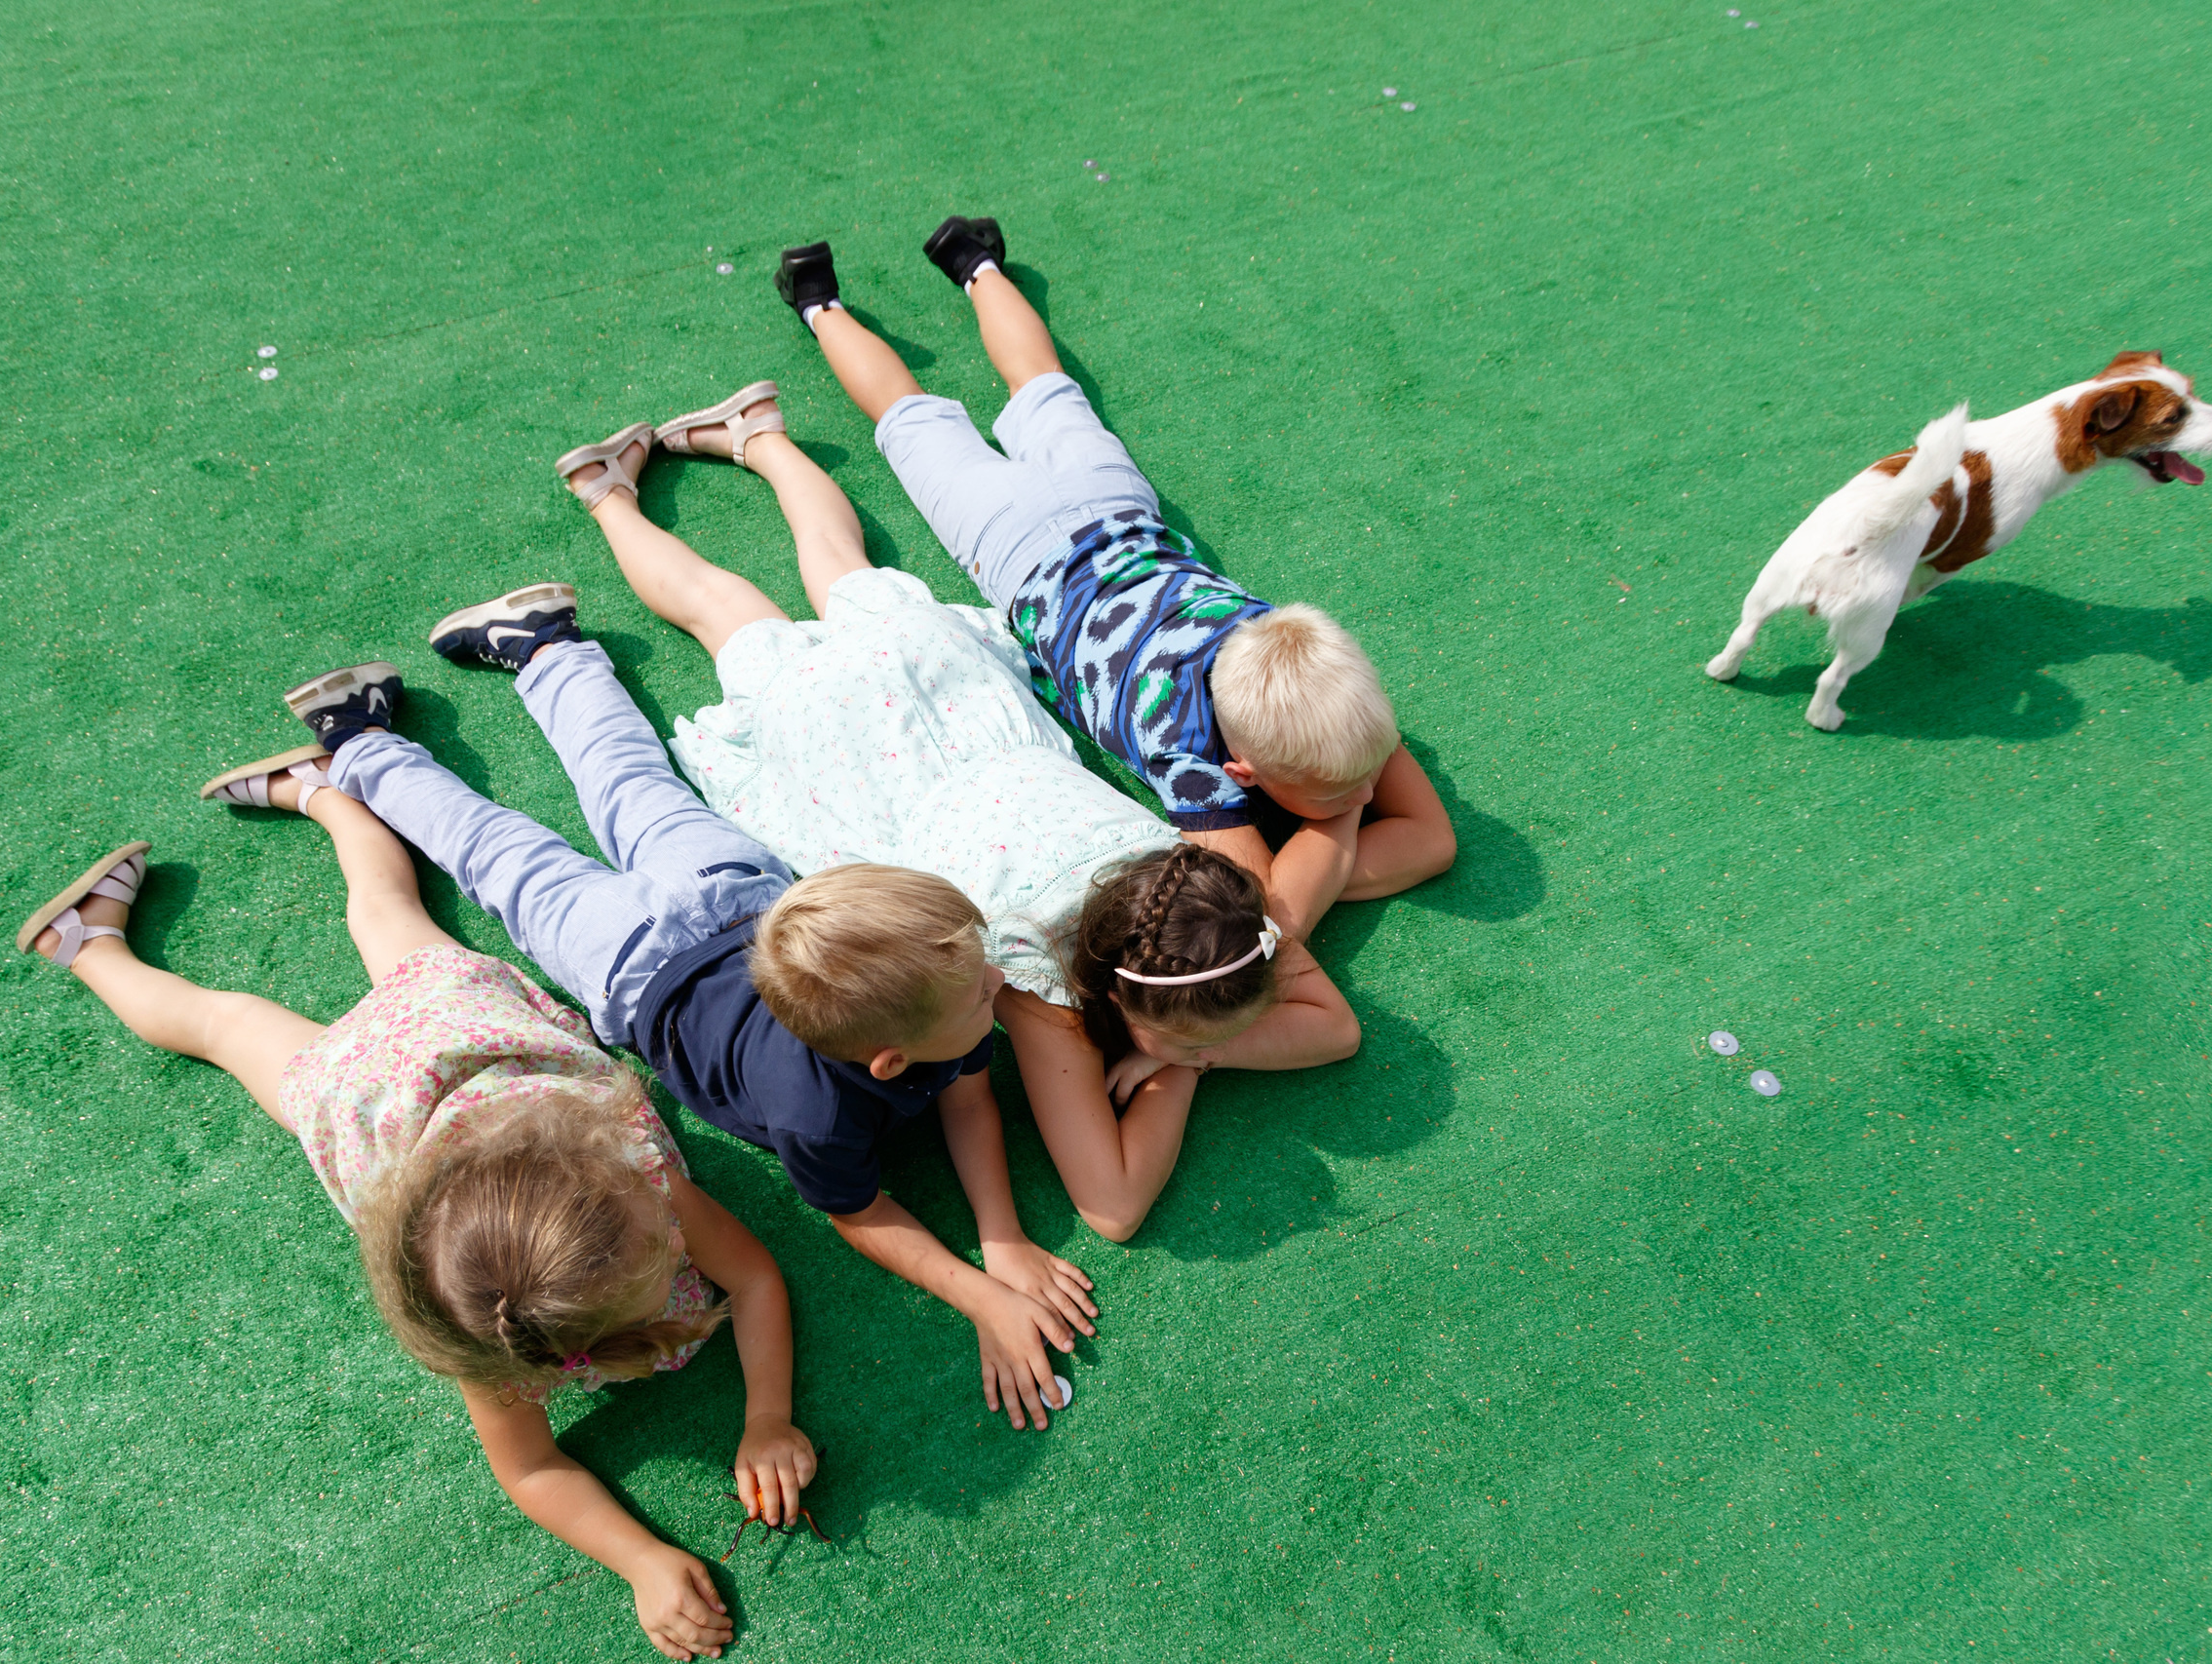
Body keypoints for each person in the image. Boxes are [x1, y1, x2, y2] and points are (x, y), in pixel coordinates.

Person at [238, 561, 1096, 1434]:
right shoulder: (817, 1114)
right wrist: (977, 1294)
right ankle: (397, 723)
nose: (1001, 980)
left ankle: (454, 688)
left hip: (736, 899)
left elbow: (968, 1095)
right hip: (633, 962)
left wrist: (1003, 1236)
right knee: (523, 839)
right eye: (983, 977)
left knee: (598, 795)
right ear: (889, 1059)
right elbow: (860, 1211)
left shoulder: (930, 1003)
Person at [545, 378, 1360, 1246]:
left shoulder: (1207, 898)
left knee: (829, 562)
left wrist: (1190, 1043)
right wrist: (1184, 1063)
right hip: (855, 759)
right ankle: (611, 496)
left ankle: (743, 440)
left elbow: (1335, 1028)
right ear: (1127, 997)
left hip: (951, 698)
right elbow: (1112, 1206)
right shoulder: (1036, 976)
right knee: (730, 613)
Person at [14, 793, 807, 1663]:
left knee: (389, 914)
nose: (672, 1230)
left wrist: (768, 1415)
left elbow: (755, 1276)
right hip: (365, 1095)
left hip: (468, 1031)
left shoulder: (629, 1181)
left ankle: (329, 792)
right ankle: (87, 945)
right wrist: (640, 1559)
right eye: (664, 1250)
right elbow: (530, 1467)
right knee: (224, 1021)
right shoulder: (491, 1328)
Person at [768, 221, 1458, 942]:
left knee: (1015, 386)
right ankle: (869, 292)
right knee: (926, 413)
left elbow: (1430, 844)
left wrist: (1332, 809)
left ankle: (906, 278)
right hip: (1016, 548)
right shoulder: (1185, 747)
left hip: (1109, 505)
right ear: (1241, 771)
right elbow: (1270, 916)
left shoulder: (1307, 685)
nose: (1373, 788)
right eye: (1351, 789)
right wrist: (1340, 824)